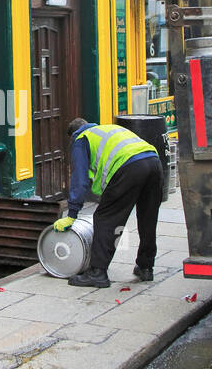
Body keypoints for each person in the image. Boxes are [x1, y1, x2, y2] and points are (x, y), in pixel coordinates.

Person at [55, 117, 163, 288]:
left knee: (105, 218)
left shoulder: (81, 139)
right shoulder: (107, 130)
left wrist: (72, 214)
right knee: (147, 217)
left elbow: (80, 180)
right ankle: (146, 267)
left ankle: (97, 273)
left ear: (73, 135)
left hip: (129, 166)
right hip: (154, 162)